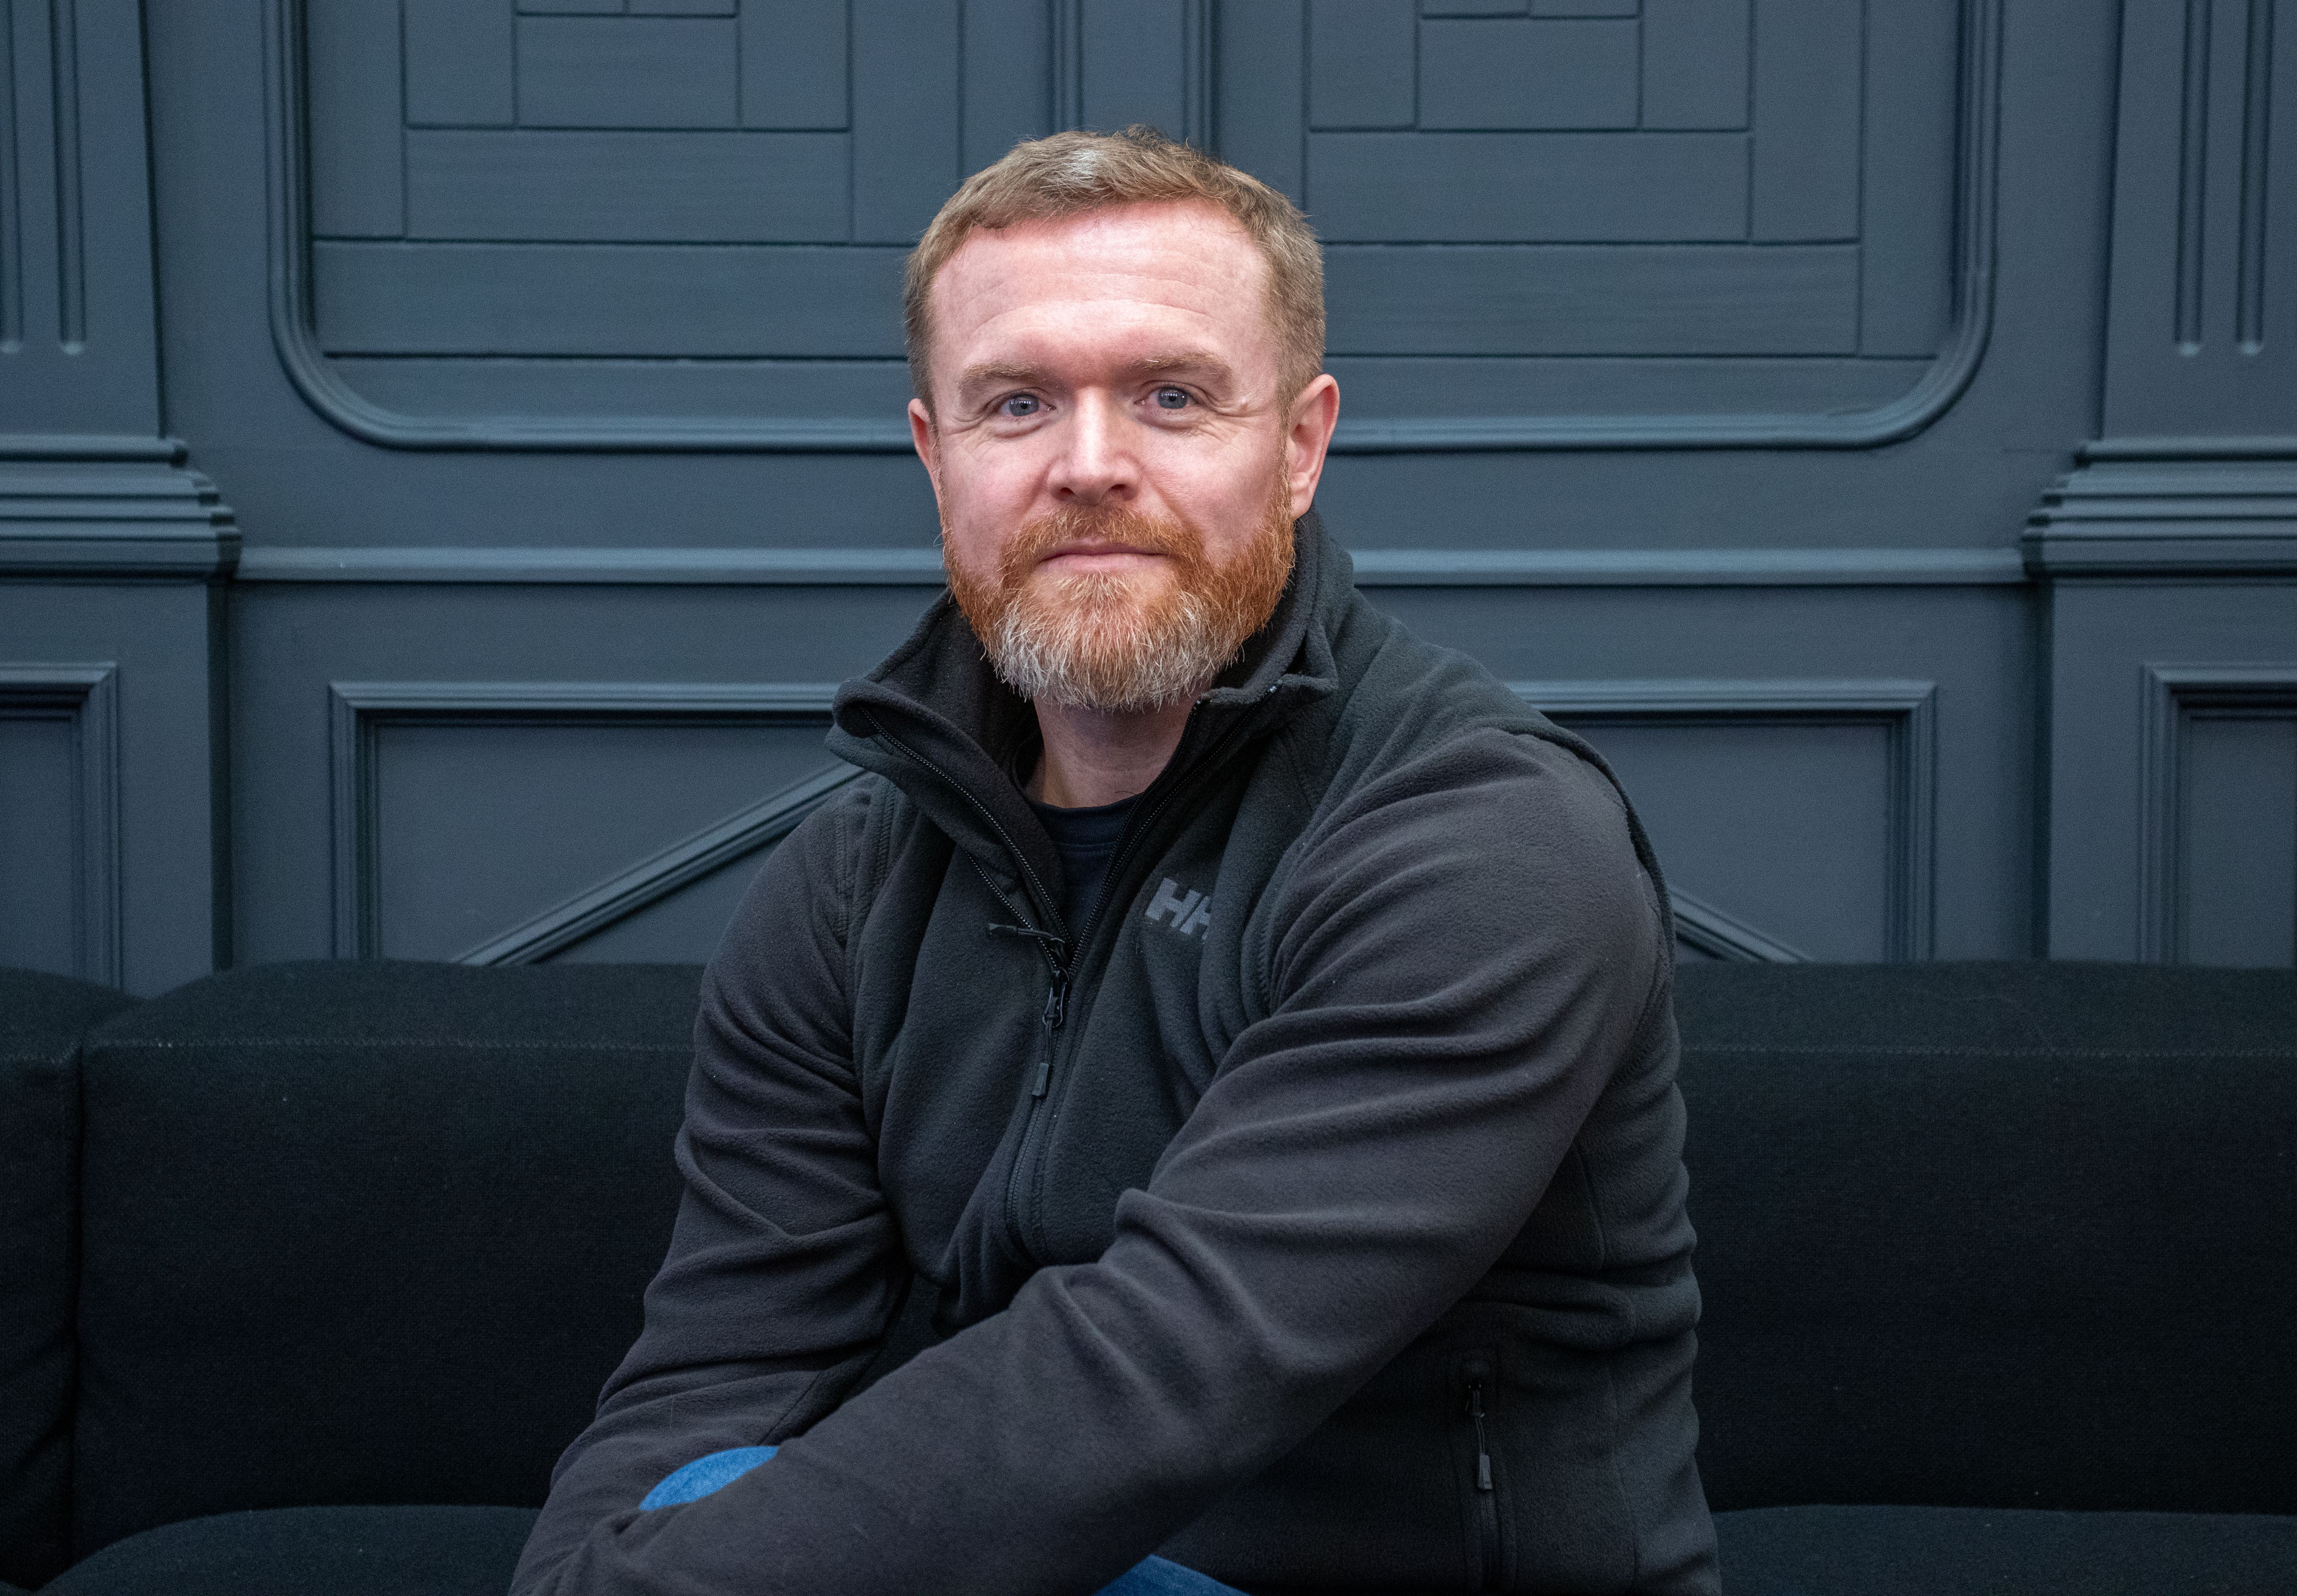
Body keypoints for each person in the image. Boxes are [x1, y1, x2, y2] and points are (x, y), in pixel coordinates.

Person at [511, 128, 1716, 1596]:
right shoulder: (846, 890)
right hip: (1031, 1570)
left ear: (1300, 446)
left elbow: (1161, 1367)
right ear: (933, 455)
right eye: (1017, 403)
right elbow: (715, 1371)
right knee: (714, 1487)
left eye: (1172, 396)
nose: (1092, 467)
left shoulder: (1484, 843)